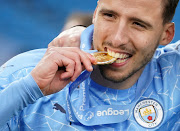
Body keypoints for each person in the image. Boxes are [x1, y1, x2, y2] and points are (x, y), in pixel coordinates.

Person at [0, 0, 180, 130]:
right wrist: (28, 90)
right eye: (109, 15)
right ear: (95, 14)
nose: (117, 39)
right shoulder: (25, 72)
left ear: (167, 34)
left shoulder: (174, 73)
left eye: (138, 24)